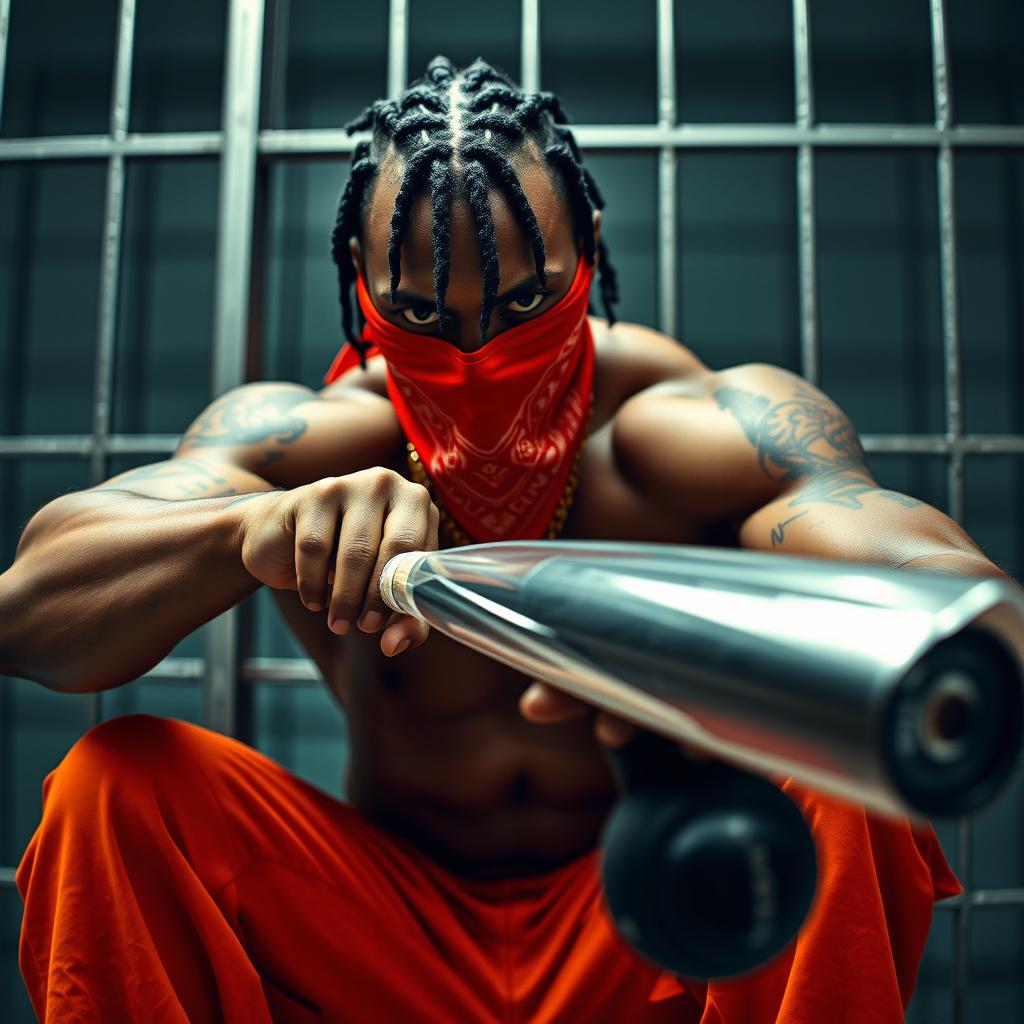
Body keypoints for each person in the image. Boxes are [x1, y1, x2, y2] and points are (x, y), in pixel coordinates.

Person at [0, 56, 1002, 1023]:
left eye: (526, 304)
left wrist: (740, 646)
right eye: (422, 317)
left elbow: (946, 597)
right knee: (115, 785)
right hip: (381, 942)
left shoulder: (690, 434)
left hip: (656, 923)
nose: (479, 362)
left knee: (845, 776)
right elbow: (29, 614)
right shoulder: (314, 440)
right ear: (362, 276)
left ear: (589, 250)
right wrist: (248, 529)